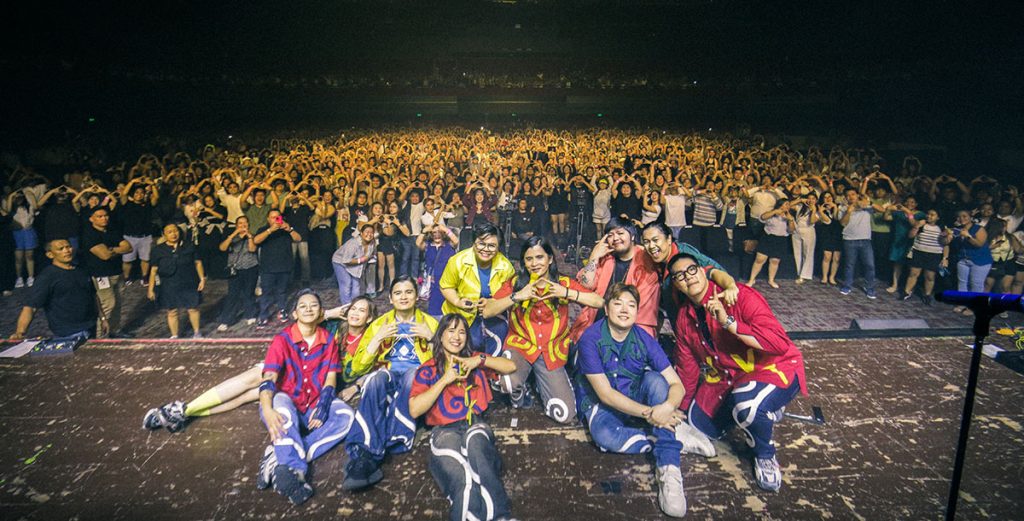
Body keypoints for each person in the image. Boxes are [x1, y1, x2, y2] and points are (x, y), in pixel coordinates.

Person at [667, 252, 807, 493]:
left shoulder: (740, 295)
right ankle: (762, 409)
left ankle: (765, 454)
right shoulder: (684, 317)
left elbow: (779, 344)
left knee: (748, 406)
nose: (687, 277)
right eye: (679, 276)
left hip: (771, 368)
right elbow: (688, 369)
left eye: (691, 270)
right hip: (728, 378)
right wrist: (680, 409)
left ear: (703, 271)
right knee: (698, 423)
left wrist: (729, 323)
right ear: (677, 285)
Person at [144, 301, 370, 432]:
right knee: (255, 378)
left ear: (370, 318)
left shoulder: (370, 339)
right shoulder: (334, 325)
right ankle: (183, 411)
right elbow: (306, 318)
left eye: (362, 311)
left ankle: (184, 412)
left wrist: (355, 387)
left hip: (314, 382)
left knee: (250, 394)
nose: (355, 313)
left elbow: (378, 368)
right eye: (352, 309)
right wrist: (330, 313)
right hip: (295, 365)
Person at [573, 283, 687, 518]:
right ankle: (670, 434)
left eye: (631, 305)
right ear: (606, 309)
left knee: (657, 382)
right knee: (605, 437)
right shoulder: (590, 338)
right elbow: (606, 395)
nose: (625, 310)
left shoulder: (644, 338)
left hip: (633, 394)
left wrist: (666, 407)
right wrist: (653, 415)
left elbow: (678, 385)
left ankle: (669, 468)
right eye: (618, 303)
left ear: (637, 311)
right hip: (601, 402)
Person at [409, 313, 518, 521]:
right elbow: (415, 409)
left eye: (462, 332)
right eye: (451, 331)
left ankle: (500, 516)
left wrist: (479, 359)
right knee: (462, 477)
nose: (456, 337)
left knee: (477, 447)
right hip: (444, 431)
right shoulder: (428, 369)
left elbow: (511, 366)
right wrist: (445, 379)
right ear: (440, 336)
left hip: (475, 425)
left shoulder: (473, 361)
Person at [483, 237, 604, 422]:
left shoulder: (562, 283)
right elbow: (487, 311)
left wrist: (566, 293)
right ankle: (520, 389)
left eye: (539, 257)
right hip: (521, 347)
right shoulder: (516, 283)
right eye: (529, 259)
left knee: (564, 414)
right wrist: (517, 296)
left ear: (550, 259)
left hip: (551, 351)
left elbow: (599, 301)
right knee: (507, 382)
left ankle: (538, 382)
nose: (534, 264)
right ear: (523, 262)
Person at [255, 290, 354, 505]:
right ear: (294, 313)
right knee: (281, 406)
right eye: (303, 306)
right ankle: (294, 469)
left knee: (346, 416)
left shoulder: (328, 340)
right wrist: (267, 409)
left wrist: (323, 406)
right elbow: (269, 378)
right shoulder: (282, 340)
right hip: (287, 402)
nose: (308, 309)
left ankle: (279, 456)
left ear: (321, 312)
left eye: (314, 305)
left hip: (314, 403)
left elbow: (330, 378)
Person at [342, 276, 439, 491]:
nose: (403, 297)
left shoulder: (429, 323)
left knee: (413, 375)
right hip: (389, 375)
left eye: (408, 292)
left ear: (417, 296)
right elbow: (357, 368)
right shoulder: (379, 324)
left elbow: (444, 364)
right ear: (390, 298)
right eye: (398, 293)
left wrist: (432, 338)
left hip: (416, 378)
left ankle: (396, 437)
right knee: (376, 378)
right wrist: (377, 339)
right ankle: (365, 450)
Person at [571, 217, 661, 341]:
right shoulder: (606, 258)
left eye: (620, 233)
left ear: (632, 236)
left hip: (628, 329)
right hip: (596, 322)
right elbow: (586, 285)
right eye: (610, 235)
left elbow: (642, 312)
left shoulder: (645, 264)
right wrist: (594, 257)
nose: (615, 238)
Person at [438, 222, 517, 356]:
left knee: (498, 341)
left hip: (492, 315)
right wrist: (457, 301)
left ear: (498, 247)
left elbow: (507, 297)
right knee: (467, 347)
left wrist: (493, 304)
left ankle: (490, 367)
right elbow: (446, 286)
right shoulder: (457, 261)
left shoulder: (505, 266)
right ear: (474, 243)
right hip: (460, 314)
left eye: (491, 246)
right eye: (481, 244)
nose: (485, 249)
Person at [11, 239, 99, 340]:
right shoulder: (47, 277)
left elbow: (93, 295)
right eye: (61, 249)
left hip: (91, 326)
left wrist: (102, 318)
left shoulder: (81, 270)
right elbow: (31, 307)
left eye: (68, 247)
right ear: (50, 254)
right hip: (68, 333)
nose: (67, 251)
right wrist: (20, 332)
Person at [80, 207, 133, 337]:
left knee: (118, 304)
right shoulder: (89, 234)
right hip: (101, 275)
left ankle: (115, 330)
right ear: (91, 219)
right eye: (100, 216)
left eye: (105, 215)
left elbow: (129, 247)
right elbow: (105, 255)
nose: (104, 218)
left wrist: (112, 250)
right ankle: (100, 335)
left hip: (117, 272)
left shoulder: (112, 230)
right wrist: (117, 249)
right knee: (108, 305)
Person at [148, 223, 206, 338]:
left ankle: (197, 332)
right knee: (172, 311)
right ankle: (174, 335)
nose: (173, 234)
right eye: (169, 232)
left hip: (189, 282)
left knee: (193, 308)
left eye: (175, 231)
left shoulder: (189, 246)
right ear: (164, 234)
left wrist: (202, 279)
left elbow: (198, 263)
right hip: (169, 284)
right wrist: (150, 289)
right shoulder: (158, 250)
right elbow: (153, 271)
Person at [253, 210, 302, 326]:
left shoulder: (286, 229)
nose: (275, 219)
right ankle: (263, 315)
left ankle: (282, 310)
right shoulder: (263, 229)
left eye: (277, 217)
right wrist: (270, 230)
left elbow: (298, 239)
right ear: (268, 219)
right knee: (266, 292)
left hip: (284, 266)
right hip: (267, 267)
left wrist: (290, 229)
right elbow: (256, 241)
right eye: (272, 217)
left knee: (282, 291)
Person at [215, 215, 259, 331]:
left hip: (250, 267)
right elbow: (222, 248)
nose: (243, 225)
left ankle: (250, 314)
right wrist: (235, 234)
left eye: (245, 223)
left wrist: (249, 236)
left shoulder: (253, 236)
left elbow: (252, 249)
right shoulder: (231, 237)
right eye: (240, 223)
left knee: (249, 292)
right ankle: (226, 320)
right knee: (233, 294)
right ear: (236, 225)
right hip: (235, 269)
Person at [950, 209, 992, 316]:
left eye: (964, 216)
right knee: (962, 282)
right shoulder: (957, 229)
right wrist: (945, 236)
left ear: (970, 217)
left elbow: (979, 244)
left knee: (976, 283)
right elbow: (949, 243)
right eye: (959, 217)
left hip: (980, 260)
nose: (961, 219)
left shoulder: (979, 229)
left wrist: (968, 236)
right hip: (963, 259)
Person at [902, 209, 948, 304]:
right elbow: (910, 236)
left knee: (930, 276)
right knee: (913, 273)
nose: (929, 216)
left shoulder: (941, 228)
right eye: (928, 214)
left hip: (934, 254)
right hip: (918, 252)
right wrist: (916, 226)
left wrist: (945, 258)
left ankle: (927, 294)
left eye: (932, 215)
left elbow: (946, 244)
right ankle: (906, 292)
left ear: (938, 217)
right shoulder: (922, 224)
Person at [748, 199, 795, 288]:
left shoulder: (789, 216)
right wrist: (775, 212)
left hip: (781, 240)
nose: (787, 206)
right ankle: (751, 279)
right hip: (768, 238)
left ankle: (771, 280)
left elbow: (791, 230)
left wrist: (791, 220)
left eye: (788, 204)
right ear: (780, 205)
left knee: (775, 261)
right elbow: (762, 217)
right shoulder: (771, 213)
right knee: (760, 259)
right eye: (786, 204)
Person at [118, 179, 158, 285]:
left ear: (144, 194)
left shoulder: (147, 204)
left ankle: (144, 277)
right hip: (130, 237)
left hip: (145, 237)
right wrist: (132, 182)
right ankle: (126, 278)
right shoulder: (128, 204)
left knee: (145, 259)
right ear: (133, 194)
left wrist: (152, 184)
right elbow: (124, 194)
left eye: (141, 193)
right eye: (136, 193)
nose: (139, 195)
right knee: (127, 260)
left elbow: (156, 197)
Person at [839, 189, 877, 299]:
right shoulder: (843, 208)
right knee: (849, 265)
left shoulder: (866, 206)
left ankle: (869, 287)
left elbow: (882, 210)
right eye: (848, 195)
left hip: (865, 240)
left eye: (853, 194)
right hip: (849, 239)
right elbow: (843, 223)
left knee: (870, 265)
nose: (850, 196)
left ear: (857, 195)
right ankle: (847, 285)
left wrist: (869, 203)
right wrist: (849, 212)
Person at [416, 223, 459, 318]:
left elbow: (456, 240)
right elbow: (418, 243)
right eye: (434, 232)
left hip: (448, 281)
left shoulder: (449, 245)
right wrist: (424, 231)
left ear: (443, 234)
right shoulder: (428, 246)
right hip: (433, 282)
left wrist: (445, 229)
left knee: (448, 306)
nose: (437, 234)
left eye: (439, 232)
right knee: (434, 308)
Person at [332, 223, 376, 306]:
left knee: (356, 286)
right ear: (361, 233)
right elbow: (346, 260)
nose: (369, 234)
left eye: (371, 232)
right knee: (347, 284)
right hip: (340, 262)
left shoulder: (372, 243)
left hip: (355, 264)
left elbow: (370, 255)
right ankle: (346, 307)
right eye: (367, 232)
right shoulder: (353, 243)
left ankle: (354, 305)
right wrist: (361, 260)